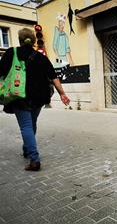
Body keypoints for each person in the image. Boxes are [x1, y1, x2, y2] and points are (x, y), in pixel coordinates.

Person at [0, 28, 70, 171]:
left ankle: (34, 160)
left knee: (26, 127)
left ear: (20, 40)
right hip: (39, 98)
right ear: (33, 41)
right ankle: (27, 150)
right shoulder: (41, 57)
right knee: (31, 124)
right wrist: (62, 93)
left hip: (19, 96)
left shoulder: (10, 53)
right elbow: (53, 76)